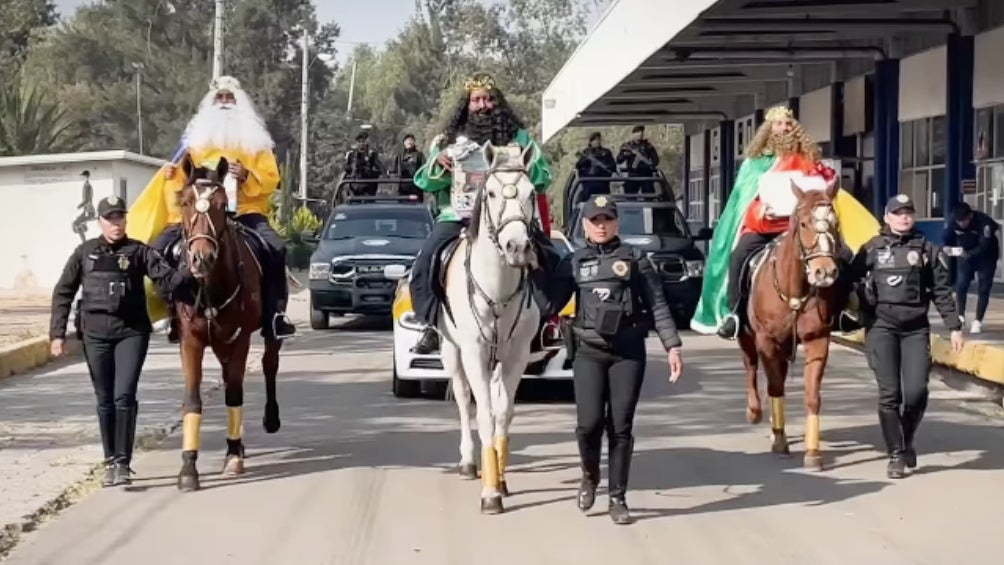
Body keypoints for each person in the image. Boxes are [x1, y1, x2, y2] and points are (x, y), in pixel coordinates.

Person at [543, 194, 684, 525]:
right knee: (588, 424)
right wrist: (533, 272)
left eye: (607, 219)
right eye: (595, 220)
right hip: (588, 353)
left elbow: (658, 303)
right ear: (586, 226)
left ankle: (618, 497)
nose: (601, 225)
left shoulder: (636, 259)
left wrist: (672, 346)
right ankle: (590, 476)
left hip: (628, 353)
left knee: (620, 427)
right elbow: (549, 303)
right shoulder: (574, 262)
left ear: (617, 222)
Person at [689, 104, 882, 338]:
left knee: (840, 255)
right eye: (779, 124)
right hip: (766, 227)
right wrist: (763, 211)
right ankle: (735, 313)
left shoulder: (808, 159)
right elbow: (744, 200)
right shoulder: (754, 163)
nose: (784, 128)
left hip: (805, 227)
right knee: (738, 255)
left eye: (788, 123)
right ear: (769, 130)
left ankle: (846, 308)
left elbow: (823, 191)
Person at [408, 71, 561, 354]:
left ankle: (546, 323)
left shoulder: (519, 137)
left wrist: (525, 167)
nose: (482, 105)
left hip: (509, 218)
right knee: (424, 264)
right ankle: (431, 324)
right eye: (477, 100)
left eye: (488, 99)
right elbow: (423, 181)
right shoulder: (445, 139)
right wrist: (439, 164)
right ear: (467, 104)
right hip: (457, 217)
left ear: (497, 103)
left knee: (553, 258)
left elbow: (542, 177)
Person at [49, 196, 196, 487]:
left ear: (126, 220)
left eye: (120, 218)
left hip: (131, 332)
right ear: (100, 221)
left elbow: (166, 280)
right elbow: (63, 291)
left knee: (124, 397)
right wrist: (56, 334)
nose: (116, 224)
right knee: (105, 400)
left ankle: (123, 463)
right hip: (95, 334)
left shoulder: (139, 251)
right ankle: (110, 460)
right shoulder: (85, 253)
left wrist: (191, 273)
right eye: (110, 218)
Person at [146, 75, 294, 341]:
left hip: (245, 212)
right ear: (211, 103)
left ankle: (275, 315)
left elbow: (272, 178)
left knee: (277, 249)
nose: (225, 103)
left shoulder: (258, 143)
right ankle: (172, 313)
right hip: (199, 216)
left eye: (230, 98)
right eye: (220, 97)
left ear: (239, 103)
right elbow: (181, 180)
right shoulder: (194, 141)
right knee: (159, 251)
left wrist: (247, 175)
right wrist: (171, 174)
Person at [849, 194, 964, 479]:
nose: (904, 217)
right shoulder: (872, 249)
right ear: (886, 217)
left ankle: (907, 438)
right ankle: (895, 454)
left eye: (909, 213)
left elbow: (941, 291)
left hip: (915, 327)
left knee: (916, 393)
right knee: (890, 395)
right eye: (898, 213)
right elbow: (846, 280)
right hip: (881, 327)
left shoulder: (927, 250)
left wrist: (954, 326)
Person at [943, 201, 1000, 333]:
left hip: (986, 257)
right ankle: (960, 316)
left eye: (964, 221)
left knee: (984, 288)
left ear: (971, 216)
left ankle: (978, 321)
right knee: (961, 285)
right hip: (965, 256)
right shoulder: (953, 220)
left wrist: (969, 254)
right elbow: (947, 237)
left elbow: (984, 245)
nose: (962, 224)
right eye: (959, 221)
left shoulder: (984, 222)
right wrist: (947, 248)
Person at [573, 132, 616, 206]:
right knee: (587, 202)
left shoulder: (606, 152)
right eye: (594, 140)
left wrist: (604, 167)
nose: (597, 142)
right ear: (591, 142)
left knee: (603, 204)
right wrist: (588, 159)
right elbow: (578, 165)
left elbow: (613, 166)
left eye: (598, 140)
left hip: (602, 182)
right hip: (589, 182)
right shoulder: (586, 152)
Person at [615, 126, 660, 194]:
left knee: (648, 197)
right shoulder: (627, 146)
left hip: (646, 175)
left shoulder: (648, 146)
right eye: (637, 133)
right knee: (630, 197)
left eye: (641, 134)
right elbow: (619, 160)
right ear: (633, 134)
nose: (639, 136)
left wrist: (648, 163)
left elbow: (655, 161)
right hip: (633, 175)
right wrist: (625, 155)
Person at [344, 131, 384, 196]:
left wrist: (373, 172)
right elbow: (346, 168)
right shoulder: (351, 155)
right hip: (354, 187)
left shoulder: (371, 154)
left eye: (363, 141)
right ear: (356, 143)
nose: (361, 144)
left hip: (368, 187)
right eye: (359, 142)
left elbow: (380, 167)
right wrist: (352, 168)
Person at [391, 133, 424, 198]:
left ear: (414, 142)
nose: (409, 142)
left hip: (416, 185)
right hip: (403, 186)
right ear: (404, 143)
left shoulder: (419, 155)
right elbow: (395, 169)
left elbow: (424, 168)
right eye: (407, 140)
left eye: (411, 140)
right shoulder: (399, 155)